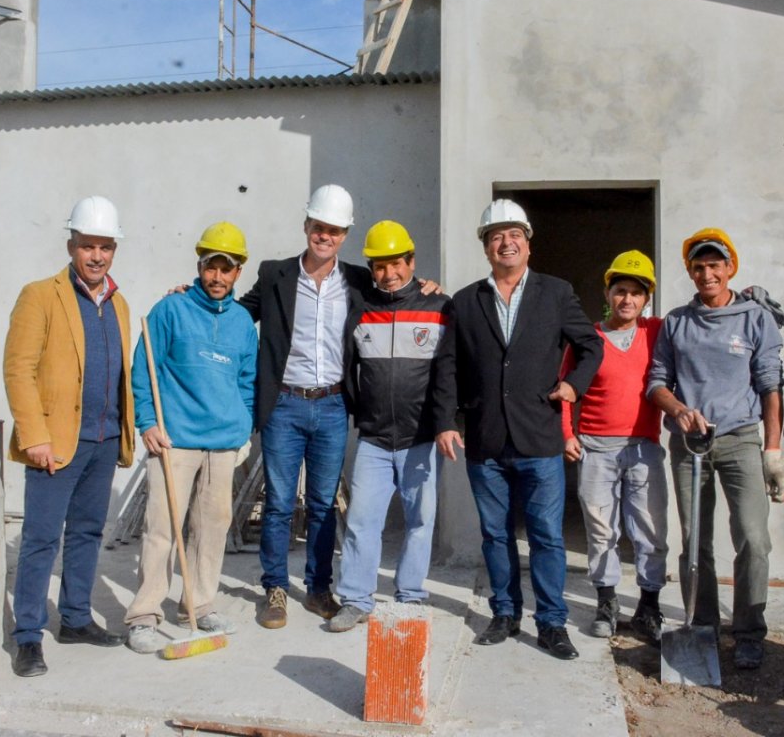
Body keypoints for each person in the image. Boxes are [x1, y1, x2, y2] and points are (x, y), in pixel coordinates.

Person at [434, 199, 603, 661]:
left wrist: (573, 385)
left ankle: (551, 623)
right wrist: (446, 421)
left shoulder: (556, 293)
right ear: (486, 247)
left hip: (540, 437)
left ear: (528, 244)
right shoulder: (466, 301)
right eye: (496, 237)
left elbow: (591, 346)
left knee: (546, 535)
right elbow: (448, 366)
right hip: (485, 439)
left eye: (514, 235)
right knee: (495, 534)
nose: (506, 243)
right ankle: (505, 614)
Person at [3, 195, 135, 677]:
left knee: (86, 533)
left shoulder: (118, 303)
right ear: (71, 245)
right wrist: (34, 436)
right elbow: (18, 370)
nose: (97, 256)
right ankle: (28, 636)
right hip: (55, 443)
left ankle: (76, 619)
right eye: (88, 246)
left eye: (105, 247)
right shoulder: (40, 295)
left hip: (103, 440)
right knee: (41, 540)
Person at [646, 227, 784, 671]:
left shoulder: (755, 319)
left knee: (753, 538)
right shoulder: (677, 322)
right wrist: (678, 409)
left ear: (730, 269)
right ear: (690, 272)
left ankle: (748, 632)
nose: (707, 274)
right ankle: (702, 625)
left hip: (741, 439)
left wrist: (772, 450)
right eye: (699, 266)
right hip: (690, 444)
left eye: (715, 265)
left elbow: (770, 385)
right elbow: (656, 382)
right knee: (695, 540)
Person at [239, 184, 369, 629]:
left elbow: (396, 299)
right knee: (278, 504)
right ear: (306, 225)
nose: (324, 236)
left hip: (332, 406)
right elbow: (238, 314)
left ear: (344, 235)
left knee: (322, 504)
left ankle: (317, 588)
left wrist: (427, 288)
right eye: (318, 227)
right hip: (285, 405)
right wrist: (193, 296)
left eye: (334, 230)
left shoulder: (357, 281)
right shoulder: (274, 274)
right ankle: (275, 588)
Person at [124, 223, 258, 653]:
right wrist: (148, 422)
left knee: (211, 529)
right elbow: (143, 369)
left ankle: (199, 606)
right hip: (174, 441)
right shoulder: (171, 310)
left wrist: (242, 428)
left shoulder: (242, 323)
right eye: (210, 267)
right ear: (199, 266)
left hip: (223, 444)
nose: (217, 277)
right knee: (162, 529)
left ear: (238, 273)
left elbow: (247, 382)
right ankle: (144, 616)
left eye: (226, 269)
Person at [328, 221, 450, 632]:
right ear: (371, 269)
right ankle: (356, 600)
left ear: (411, 262)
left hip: (421, 439)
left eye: (396, 264)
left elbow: (452, 372)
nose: (389, 273)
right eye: (379, 266)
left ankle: (410, 597)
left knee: (421, 522)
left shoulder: (439, 307)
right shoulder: (360, 309)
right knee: (362, 523)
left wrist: (447, 422)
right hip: (375, 440)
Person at [560, 250, 667, 643]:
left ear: (647, 298)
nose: (627, 299)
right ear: (607, 294)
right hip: (596, 448)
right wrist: (567, 434)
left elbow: (696, 319)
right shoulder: (589, 338)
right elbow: (566, 389)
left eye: (636, 293)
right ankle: (606, 602)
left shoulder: (656, 332)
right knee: (601, 528)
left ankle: (649, 607)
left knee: (650, 529)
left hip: (643, 448)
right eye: (620, 291)